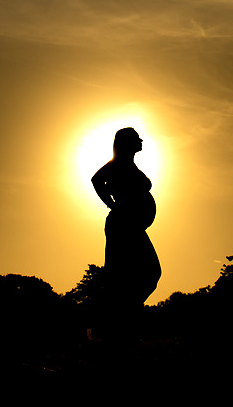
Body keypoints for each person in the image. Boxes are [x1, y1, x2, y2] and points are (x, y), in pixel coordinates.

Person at [91, 127, 161, 329]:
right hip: (124, 226)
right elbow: (96, 180)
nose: (141, 141)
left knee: (137, 274)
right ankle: (122, 317)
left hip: (132, 226)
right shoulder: (118, 163)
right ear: (127, 143)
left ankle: (124, 316)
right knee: (146, 272)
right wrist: (111, 203)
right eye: (137, 138)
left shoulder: (128, 164)